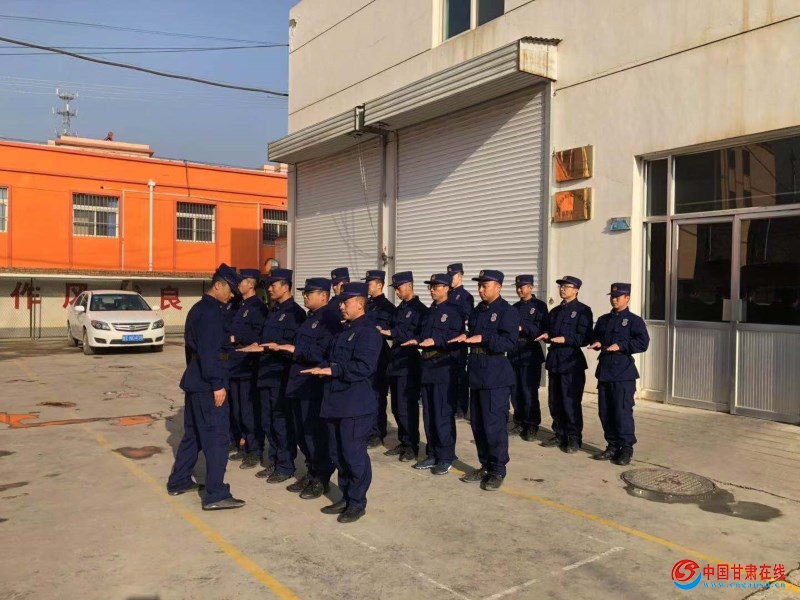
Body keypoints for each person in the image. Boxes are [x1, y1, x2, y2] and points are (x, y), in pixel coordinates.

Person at [166, 263, 245, 510]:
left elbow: (194, 352)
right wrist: (217, 384)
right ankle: (215, 494)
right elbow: (210, 352)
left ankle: (179, 480)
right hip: (209, 385)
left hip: (195, 381)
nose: (231, 296)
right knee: (217, 439)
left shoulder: (199, 309)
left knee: (193, 436)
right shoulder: (211, 313)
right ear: (218, 285)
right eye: (230, 290)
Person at [302, 282, 382, 524]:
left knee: (353, 454)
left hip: (355, 405)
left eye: (345, 302)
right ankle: (347, 496)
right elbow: (331, 359)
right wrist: (321, 367)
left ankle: (357, 502)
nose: (341, 306)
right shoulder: (344, 331)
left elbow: (364, 367)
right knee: (337, 453)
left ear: (359, 303)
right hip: (336, 402)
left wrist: (333, 370)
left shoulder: (368, 332)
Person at [272, 277, 341, 498]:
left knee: (315, 434)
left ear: (323, 295)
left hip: (313, 385)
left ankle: (321, 477)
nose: (305, 296)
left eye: (309, 293)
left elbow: (324, 352)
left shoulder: (330, 319)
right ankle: (312, 472)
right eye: (304, 293)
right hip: (298, 383)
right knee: (302, 433)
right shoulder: (311, 317)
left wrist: (295, 350)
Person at [452, 270, 520, 491]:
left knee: (494, 425)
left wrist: (484, 338)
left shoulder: (507, 311)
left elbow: (509, 343)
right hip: (477, 374)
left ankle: (498, 469)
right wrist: (465, 337)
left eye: (485, 285)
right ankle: (485, 465)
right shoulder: (479, 310)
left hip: (495, 375)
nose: (481, 290)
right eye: (479, 286)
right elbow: (472, 333)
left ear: (498, 287)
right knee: (478, 424)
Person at [242, 268, 307, 483]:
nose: (269, 289)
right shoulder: (274, 311)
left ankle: (286, 465)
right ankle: (275, 460)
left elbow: (294, 347)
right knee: (267, 421)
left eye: (273, 285)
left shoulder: (296, 313)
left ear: (285, 287)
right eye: (269, 285)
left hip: (281, 375)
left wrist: (273, 348)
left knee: (281, 422)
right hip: (266, 374)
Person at [403, 273, 464, 474]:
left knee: (442, 414)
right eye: (431, 287)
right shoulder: (430, 312)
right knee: (429, 415)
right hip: (427, 367)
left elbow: (456, 337)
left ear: (447, 288)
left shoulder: (454, 311)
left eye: (436, 287)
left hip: (443, 367)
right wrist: (416, 339)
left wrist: (437, 341)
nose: (432, 290)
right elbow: (423, 334)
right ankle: (432, 453)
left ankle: (446, 456)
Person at [589, 283, 650, 466]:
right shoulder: (604, 320)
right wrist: (597, 343)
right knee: (605, 412)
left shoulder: (634, 321)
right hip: (605, 371)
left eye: (618, 296)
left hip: (623, 373)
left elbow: (643, 343)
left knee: (622, 412)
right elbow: (596, 336)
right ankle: (612, 446)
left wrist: (622, 346)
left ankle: (626, 449)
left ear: (627, 298)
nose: (614, 299)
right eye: (612, 296)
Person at [536, 276, 593, 454]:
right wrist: (546, 335)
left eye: (567, 286)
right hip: (555, 360)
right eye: (561, 286)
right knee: (555, 401)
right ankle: (559, 434)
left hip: (571, 362)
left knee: (570, 402)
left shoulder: (583, 310)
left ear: (576, 290)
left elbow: (585, 337)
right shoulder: (555, 311)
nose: (562, 289)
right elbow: (549, 330)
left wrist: (566, 339)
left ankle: (574, 438)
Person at [380, 272, 427, 462]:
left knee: (407, 406)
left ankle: (411, 444)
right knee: (397, 407)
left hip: (409, 361)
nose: (397, 292)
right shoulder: (400, 309)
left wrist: (392, 332)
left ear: (409, 285)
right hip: (396, 359)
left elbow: (417, 334)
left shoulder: (419, 310)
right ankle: (403, 440)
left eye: (399, 288)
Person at [226, 269, 268, 469]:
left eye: (241, 282)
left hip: (248, 366)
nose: (238, 285)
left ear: (250, 284)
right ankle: (243, 444)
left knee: (249, 411)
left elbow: (259, 337)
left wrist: (237, 338)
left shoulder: (257, 308)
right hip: (235, 364)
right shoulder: (239, 305)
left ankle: (255, 449)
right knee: (237, 410)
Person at [510, 275, 549, 441]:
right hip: (515, 353)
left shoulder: (539, 306)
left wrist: (522, 327)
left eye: (522, 287)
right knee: (515, 392)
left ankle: (532, 425)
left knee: (529, 392)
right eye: (517, 287)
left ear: (531, 287)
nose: (519, 290)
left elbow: (541, 329)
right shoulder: (514, 307)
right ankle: (519, 422)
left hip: (530, 353)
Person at [362, 269, 396, 449]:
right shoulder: (366, 304)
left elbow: (389, 331)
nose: (367, 286)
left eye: (370, 283)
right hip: (365, 354)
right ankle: (367, 429)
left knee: (378, 396)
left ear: (379, 285)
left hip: (379, 355)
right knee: (365, 395)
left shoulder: (387, 307)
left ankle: (377, 432)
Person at [446, 263, 474, 419]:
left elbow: (467, 319)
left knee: (459, 376)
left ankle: (460, 407)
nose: (450, 279)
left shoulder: (465, 296)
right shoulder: (447, 293)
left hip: (458, 342)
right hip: (446, 341)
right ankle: (450, 404)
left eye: (452, 276)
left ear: (460, 276)